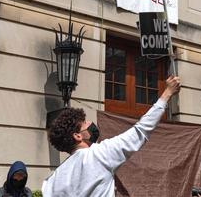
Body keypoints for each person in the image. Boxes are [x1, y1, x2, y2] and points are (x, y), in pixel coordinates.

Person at [42, 75, 181, 196]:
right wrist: (167, 93)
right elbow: (141, 130)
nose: (90, 123)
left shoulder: (53, 180)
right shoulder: (99, 155)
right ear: (78, 136)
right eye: (85, 123)